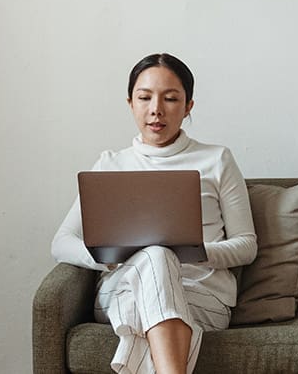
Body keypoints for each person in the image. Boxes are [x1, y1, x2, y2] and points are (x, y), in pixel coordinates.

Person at [52, 53, 256, 374]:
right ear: (130, 103)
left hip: (201, 295)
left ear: (188, 106)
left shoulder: (217, 159)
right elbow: (61, 242)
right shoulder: (110, 164)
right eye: (144, 97)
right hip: (124, 289)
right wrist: (108, 258)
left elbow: (247, 245)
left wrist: (191, 253)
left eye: (171, 98)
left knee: (160, 257)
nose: (156, 109)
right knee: (155, 256)